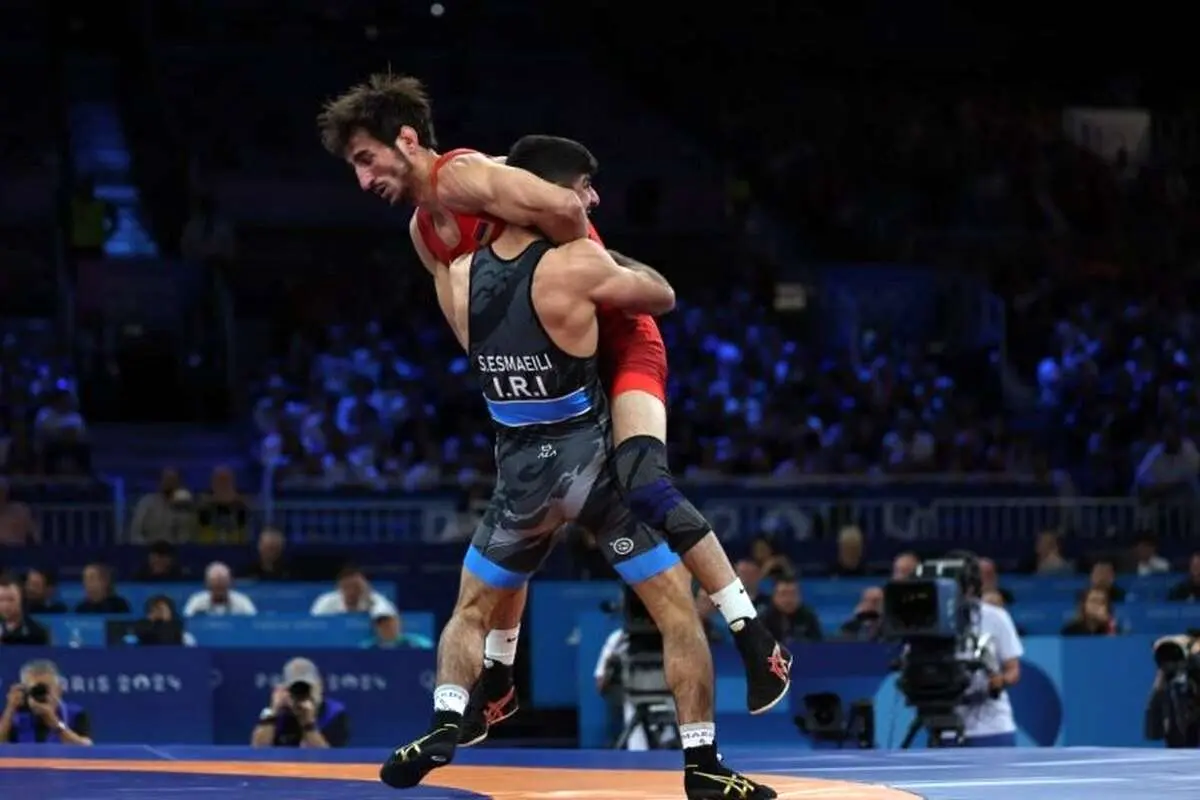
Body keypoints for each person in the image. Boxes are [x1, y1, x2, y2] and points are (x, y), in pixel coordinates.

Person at [317, 78, 791, 740]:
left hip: (618, 333)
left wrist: (576, 273)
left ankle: (753, 634)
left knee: (645, 482)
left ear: (406, 140)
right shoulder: (425, 233)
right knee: (519, 517)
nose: (364, 180)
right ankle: (499, 681)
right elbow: (476, 337)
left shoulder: (469, 176)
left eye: (367, 160)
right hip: (555, 355)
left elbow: (570, 208)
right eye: (355, 168)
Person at [373, 203, 773, 798]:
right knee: (676, 613)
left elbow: (458, 291)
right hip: (593, 475)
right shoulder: (573, 266)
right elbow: (658, 297)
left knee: (471, 608)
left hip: (522, 484)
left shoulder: (459, 279)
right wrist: (608, 253)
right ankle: (703, 761)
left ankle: (448, 716)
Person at [947, 551, 1023, 747]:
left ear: (971, 586)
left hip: (992, 727)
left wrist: (1000, 681)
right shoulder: (931, 621)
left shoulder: (996, 617)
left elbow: (1013, 670)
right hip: (947, 727)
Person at [251, 658, 349, 749]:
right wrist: (273, 711)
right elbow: (259, 751)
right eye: (296, 689)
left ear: (320, 686)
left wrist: (308, 724)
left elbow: (327, 758)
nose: (302, 693)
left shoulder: (334, 714)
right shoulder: (279, 713)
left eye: (307, 688)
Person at [0, 658, 92, 745]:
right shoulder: (14, 716)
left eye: (46, 689)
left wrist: (56, 724)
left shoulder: (76, 714)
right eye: (36, 690)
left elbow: (86, 748)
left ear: (59, 689)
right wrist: (10, 709)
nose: (42, 694)